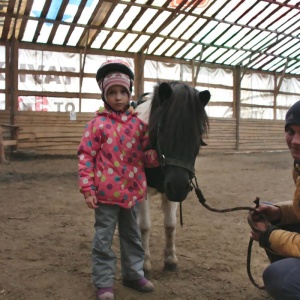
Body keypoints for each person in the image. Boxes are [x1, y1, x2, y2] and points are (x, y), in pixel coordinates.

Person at [77, 59, 159, 300]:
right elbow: (86, 157)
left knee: (132, 236)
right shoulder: (96, 125)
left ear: (129, 92)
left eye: (123, 92)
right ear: (104, 95)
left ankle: (133, 273)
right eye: (112, 92)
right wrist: (88, 189)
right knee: (103, 239)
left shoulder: (139, 125)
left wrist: (154, 157)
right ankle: (104, 282)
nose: (118, 97)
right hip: (105, 195)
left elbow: (145, 155)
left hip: (132, 194)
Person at [248, 100, 300, 300]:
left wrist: (270, 236)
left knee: (280, 277)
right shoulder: (298, 166)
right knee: (271, 213)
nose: (295, 141)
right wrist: (278, 213)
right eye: (291, 132)